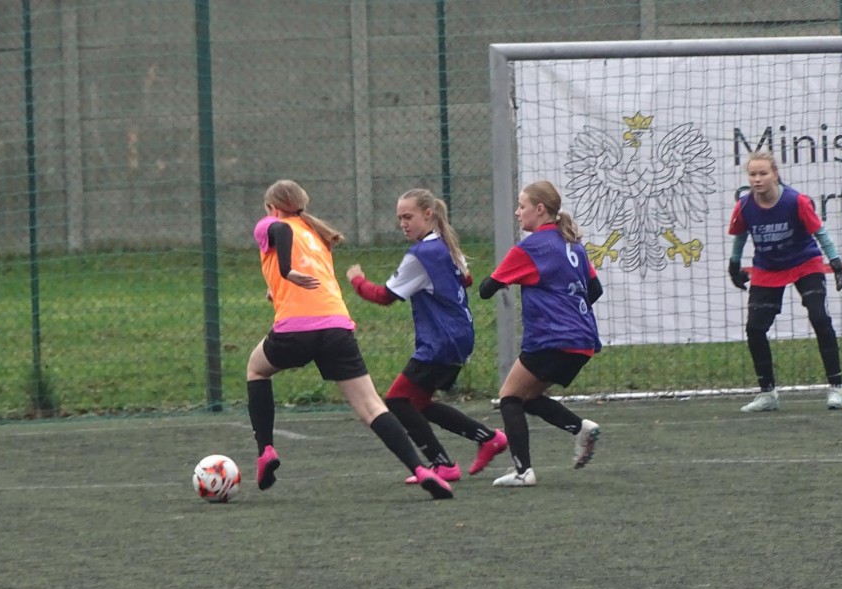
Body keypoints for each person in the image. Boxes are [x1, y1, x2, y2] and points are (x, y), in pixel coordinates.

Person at [246, 179, 453, 500]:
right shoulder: (315, 233)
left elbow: (280, 232)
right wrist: (278, 287)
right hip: (337, 327)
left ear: (273, 207)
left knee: (256, 369)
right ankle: (420, 468)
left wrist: (284, 271)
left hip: (296, 329)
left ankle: (266, 450)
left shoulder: (273, 224)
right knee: (371, 407)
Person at [345, 188, 507, 484]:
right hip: (460, 335)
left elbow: (383, 296)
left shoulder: (421, 254)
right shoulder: (446, 244)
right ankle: (487, 438)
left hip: (441, 341)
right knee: (417, 402)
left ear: (428, 214)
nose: (403, 224)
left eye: (408, 217)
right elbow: (467, 279)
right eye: (400, 218)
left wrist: (357, 280)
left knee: (397, 401)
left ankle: (444, 464)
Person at [475, 180, 603, 487]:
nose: (517, 212)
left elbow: (485, 289)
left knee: (509, 398)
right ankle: (581, 428)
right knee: (528, 397)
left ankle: (523, 472)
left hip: (552, 339)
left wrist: (503, 277)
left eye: (522, 206)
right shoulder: (572, 244)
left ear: (540, 209)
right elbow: (595, 289)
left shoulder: (531, 248)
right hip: (583, 340)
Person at [728, 150, 842, 412]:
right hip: (768, 268)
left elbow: (820, 233)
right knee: (754, 329)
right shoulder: (745, 206)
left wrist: (837, 266)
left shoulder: (796, 201)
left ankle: (836, 387)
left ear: (775, 174)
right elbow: (740, 236)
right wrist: (734, 265)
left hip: (804, 263)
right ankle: (768, 393)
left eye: (763, 173)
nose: (757, 179)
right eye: (752, 174)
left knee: (819, 317)